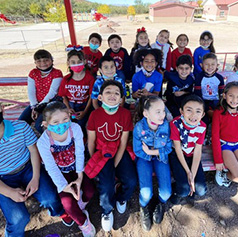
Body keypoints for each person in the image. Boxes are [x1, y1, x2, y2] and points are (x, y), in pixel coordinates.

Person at [0, 91, 62, 237]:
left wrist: (35, 178)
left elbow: (34, 151)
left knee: (50, 199)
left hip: (28, 168)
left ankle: (58, 213)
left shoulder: (21, 127)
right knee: (18, 219)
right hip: (1, 178)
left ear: (2, 109)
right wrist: (9, 192)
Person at [34, 102, 96, 236]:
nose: (61, 124)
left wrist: (79, 177)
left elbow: (80, 152)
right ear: (45, 124)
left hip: (76, 167)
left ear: (70, 116)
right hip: (60, 172)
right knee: (67, 204)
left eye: (65, 119)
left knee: (89, 191)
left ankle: (81, 206)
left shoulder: (75, 129)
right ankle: (83, 222)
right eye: (55, 122)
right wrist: (63, 186)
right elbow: (51, 167)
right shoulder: (43, 142)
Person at [83, 80, 136, 230]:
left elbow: (123, 141)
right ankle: (106, 211)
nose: (112, 95)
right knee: (106, 186)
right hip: (101, 153)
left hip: (119, 150)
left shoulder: (125, 114)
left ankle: (121, 198)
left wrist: (114, 164)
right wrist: (98, 162)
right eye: (108, 92)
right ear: (100, 97)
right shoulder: (94, 115)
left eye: (116, 93)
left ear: (121, 99)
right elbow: (91, 141)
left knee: (131, 181)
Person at [132, 95, 174, 230]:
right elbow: (138, 150)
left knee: (166, 193)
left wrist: (152, 152)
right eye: (158, 112)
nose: (163, 115)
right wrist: (149, 154)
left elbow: (168, 148)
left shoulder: (166, 126)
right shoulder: (139, 127)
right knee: (146, 193)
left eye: (163, 111)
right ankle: (144, 207)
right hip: (144, 158)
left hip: (159, 157)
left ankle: (159, 204)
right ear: (146, 113)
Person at [168, 96, 207, 204]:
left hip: (192, 155)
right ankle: (176, 191)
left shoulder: (202, 127)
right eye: (189, 110)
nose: (193, 115)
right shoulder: (175, 124)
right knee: (183, 190)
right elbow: (178, 149)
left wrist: (192, 176)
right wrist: (188, 172)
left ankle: (188, 185)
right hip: (177, 155)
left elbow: (198, 150)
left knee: (201, 190)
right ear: (181, 111)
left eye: (198, 111)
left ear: (203, 114)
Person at [21, 49, 63, 132]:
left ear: (52, 60)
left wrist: (38, 108)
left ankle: (51, 141)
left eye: (46, 60)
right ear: (35, 63)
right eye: (39, 61)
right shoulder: (33, 73)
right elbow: (31, 91)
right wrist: (34, 106)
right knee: (21, 122)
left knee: (39, 126)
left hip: (51, 103)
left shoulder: (57, 73)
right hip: (36, 104)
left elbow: (52, 92)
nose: (43, 63)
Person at [56, 50, 95, 127]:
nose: (76, 64)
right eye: (73, 62)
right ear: (68, 63)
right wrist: (68, 109)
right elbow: (64, 97)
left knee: (82, 125)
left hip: (84, 106)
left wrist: (85, 111)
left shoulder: (90, 78)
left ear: (84, 62)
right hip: (70, 106)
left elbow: (91, 97)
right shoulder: (66, 79)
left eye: (79, 61)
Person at [194, 53, 225, 124]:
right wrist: (206, 109)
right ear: (201, 65)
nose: (210, 67)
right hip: (203, 101)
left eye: (213, 64)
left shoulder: (219, 78)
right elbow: (197, 94)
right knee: (204, 120)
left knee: (220, 117)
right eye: (207, 64)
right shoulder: (199, 77)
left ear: (217, 65)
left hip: (216, 102)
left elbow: (222, 94)